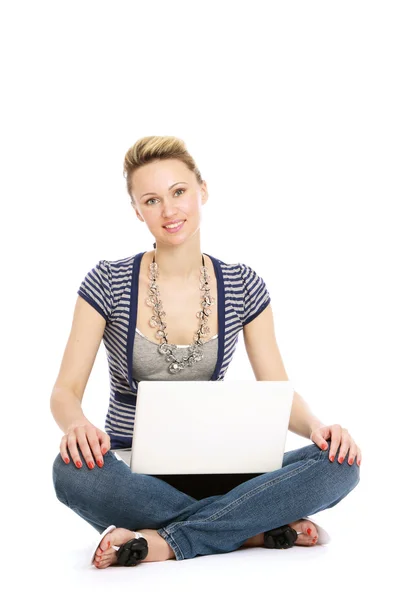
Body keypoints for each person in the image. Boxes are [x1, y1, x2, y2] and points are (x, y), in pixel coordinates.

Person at [51, 135, 361, 568]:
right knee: (68, 473)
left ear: (202, 190)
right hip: (133, 473)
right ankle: (248, 528)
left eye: (179, 192)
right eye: (152, 200)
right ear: (137, 211)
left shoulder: (242, 284)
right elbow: (64, 391)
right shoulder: (108, 281)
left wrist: (316, 427)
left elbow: (277, 389)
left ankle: (165, 540)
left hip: (226, 465)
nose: (170, 210)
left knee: (340, 464)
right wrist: (77, 426)